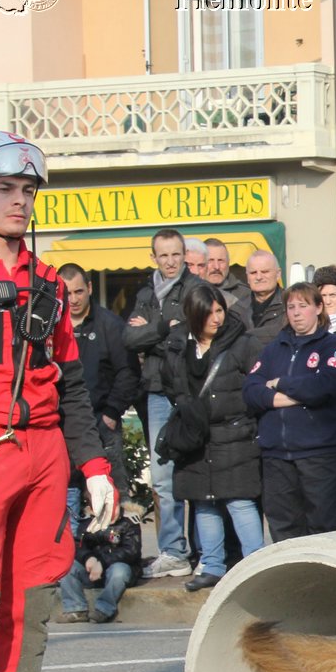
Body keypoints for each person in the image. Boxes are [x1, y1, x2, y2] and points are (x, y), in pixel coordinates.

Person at [0, 130, 118, 672]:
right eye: (5, 188)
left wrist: (93, 467)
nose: (19, 202)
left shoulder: (51, 285)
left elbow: (75, 386)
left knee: (30, 607)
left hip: (41, 454)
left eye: (28, 191)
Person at [164, 284, 265, 593]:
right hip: (195, 435)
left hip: (234, 432)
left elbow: (256, 385)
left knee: (239, 501)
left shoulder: (243, 342)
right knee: (203, 502)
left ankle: (256, 565)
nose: (216, 319)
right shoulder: (178, 344)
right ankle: (212, 565)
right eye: (207, 313)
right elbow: (171, 384)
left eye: (219, 310)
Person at [243, 282, 336, 541]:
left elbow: (325, 385)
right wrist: (292, 399)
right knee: (283, 529)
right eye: (291, 307)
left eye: (302, 306)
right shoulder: (273, 349)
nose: (296, 312)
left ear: (318, 308)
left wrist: (281, 383)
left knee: (325, 528)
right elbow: (251, 390)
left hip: (320, 454)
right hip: (277, 456)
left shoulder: (332, 346)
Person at [124, 227, 193, 579]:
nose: (169, 261)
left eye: (175, 254)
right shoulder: (145, 292)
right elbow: (130, 337)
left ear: (184, 255)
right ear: (154, 257)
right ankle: (173, 551)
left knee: (196, 472)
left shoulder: (195, 288)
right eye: (163, 255)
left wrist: (153, 329)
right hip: (155, 391)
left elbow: (189, 336)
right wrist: (164, 326)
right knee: (162, 477)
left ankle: (201, 551)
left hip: (188, 390)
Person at [60, 264, 138, 496]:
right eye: (67, 293)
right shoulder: (51, 327)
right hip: (62, 426)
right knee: (67, 498)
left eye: (78, 292)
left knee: (111, 495)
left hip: (102, 423)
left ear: (90, 288)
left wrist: (112, 413)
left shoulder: (110, 325)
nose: (73, 299)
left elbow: (129, 371)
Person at [55, 509, 142, 625]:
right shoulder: (87, 522)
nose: (111, 512)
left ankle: (103, 609)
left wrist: (102, 563)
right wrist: (88, 558)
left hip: (117, 569)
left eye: (114, 506)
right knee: (68, 566)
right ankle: (76, 609)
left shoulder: (129, 523)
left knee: (119, 571)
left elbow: (131, 551)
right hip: (92, 571)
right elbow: (77, 547)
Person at [235, 250, 284, 347]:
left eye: (265, 272)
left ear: (278, 274)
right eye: (253, 273)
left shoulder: (290, 305)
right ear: (247, 277)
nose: (259, 277)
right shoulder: (236, 310)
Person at [204, 238, 248, 308]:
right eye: (210, 260)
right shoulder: (189, 291)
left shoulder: (244, 294)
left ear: (228, 263)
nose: (216, 267)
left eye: (221, 260)